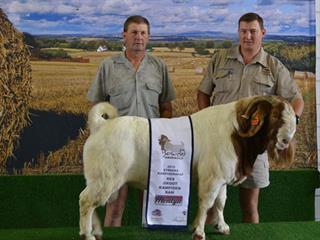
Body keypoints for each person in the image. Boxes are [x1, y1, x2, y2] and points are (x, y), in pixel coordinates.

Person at [197, 12, 304, 223]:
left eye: (253, 31)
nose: (248, 36)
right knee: (209, 204)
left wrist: (291, 125)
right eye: (243, 31)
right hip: (219, 144)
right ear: (238, 32)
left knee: (250, 206)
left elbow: (297, 100)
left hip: (254, 146)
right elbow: (203, 93)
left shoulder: (274, 66)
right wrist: (205, 122)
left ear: (262, 33)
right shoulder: (220, 59)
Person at [86, 15, 176, 226]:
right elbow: (96, 108)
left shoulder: (158, 67)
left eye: (143, 33)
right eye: (134, 32)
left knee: (151, 204)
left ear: (149, 37)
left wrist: (162, 141)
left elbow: (166, 108)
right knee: (115, 204)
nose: (138, 37)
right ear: (123, 36)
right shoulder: (108, 66)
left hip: (150, 146)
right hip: (116, 147)